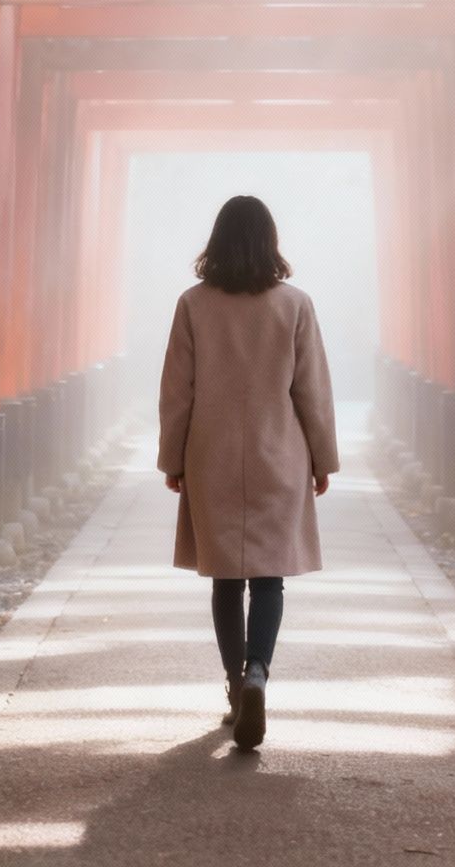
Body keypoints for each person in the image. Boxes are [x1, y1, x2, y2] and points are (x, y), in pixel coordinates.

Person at [157, 195, 338, 753]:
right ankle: (259, 671)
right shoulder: (296, 305)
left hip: (211, 454)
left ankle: (236, 686)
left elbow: (177, 392)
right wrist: (323, 458)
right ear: (270, 242)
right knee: (269, 577)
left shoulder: (192, 305)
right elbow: (312, 391)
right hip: (277, 454)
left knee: (225, 579)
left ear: (217, 241)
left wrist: (174, 458)